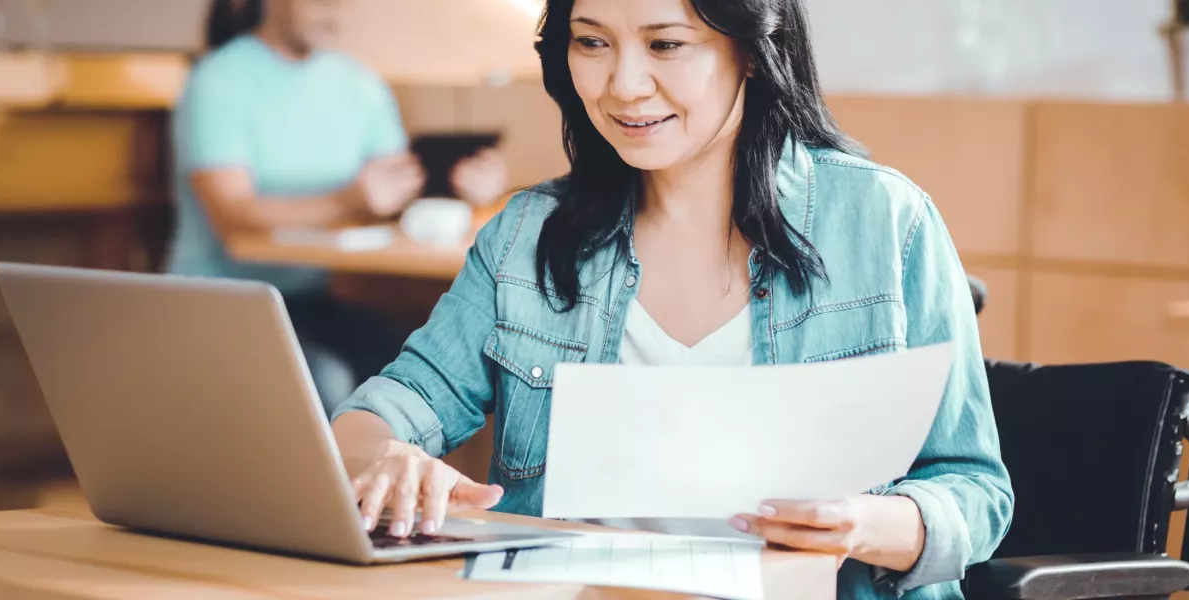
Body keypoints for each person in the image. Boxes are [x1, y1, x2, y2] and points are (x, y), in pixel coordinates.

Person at [330, 0, 1013, 597]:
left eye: (665, 44)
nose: (624, 85)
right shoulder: (525, 236)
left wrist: (862, 526)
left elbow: (975, 493)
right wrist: (386, 457)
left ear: (751, 50)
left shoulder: (885, 221)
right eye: (592, 41)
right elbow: (375, 419)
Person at [167, 0, 509, 414]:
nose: (336, 9)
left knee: (421, 367)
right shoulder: (218, 80)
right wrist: (348, 200)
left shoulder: (359, 84)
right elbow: (232, 214)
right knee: (324, 379)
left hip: (309, 297)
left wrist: (464, 190)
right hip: (215, 300)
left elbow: (395, 191)